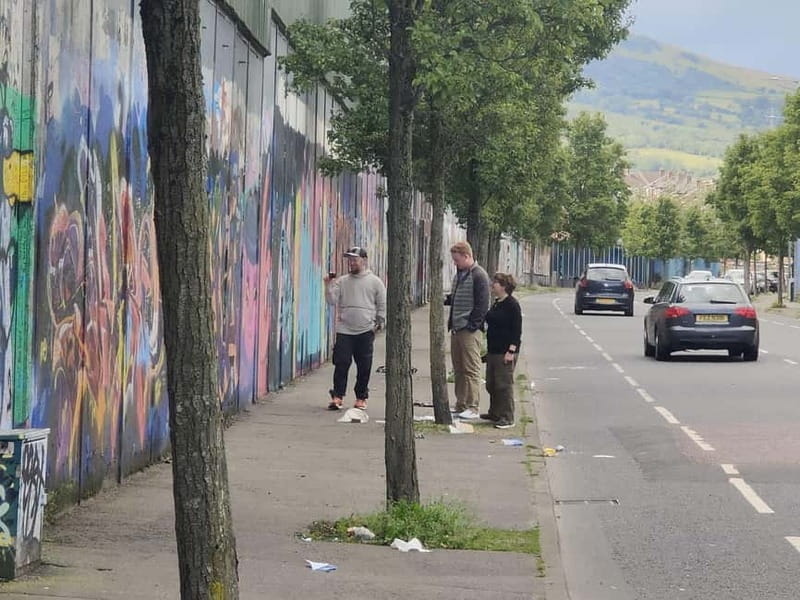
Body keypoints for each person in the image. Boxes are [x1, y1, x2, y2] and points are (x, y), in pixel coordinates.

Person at [324, 246, 386, 411]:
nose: (351, 263)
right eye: (349, 260)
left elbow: (382, 303)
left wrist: (379, 322)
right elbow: (331, 300)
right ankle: (338, 396)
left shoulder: (375, 282)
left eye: (354, 259)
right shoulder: (342, 281)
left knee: (364, 365)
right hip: (345, 329)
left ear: (363, 261)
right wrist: (328, 285)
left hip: (365, 330)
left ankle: (361, 397)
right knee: (341, 363)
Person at [445, 241, 490, 419]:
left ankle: (473, 406)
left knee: (471, 368)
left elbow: (482, 305)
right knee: (459, 368)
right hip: (456, 328)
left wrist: (472, 325)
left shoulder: (479, 276)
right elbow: (455, 298)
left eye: (456, 260)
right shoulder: (459, 275)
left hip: (469, 330)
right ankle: (460, 403)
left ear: (466, 256)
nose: (455, 263)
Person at [481, 272, 522, 429]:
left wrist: (511, 351)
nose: (493, 285)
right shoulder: (497, 303)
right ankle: (495, 412)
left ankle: (507, 416)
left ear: (504, 286)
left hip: (504, 351)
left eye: (496, 283)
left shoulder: (512, 305)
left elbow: (516, 331)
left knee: (503, 384)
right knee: (491, 383)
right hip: (493, 350)